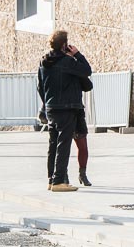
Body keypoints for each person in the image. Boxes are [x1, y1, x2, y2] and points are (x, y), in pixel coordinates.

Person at [37, 31, 92, 192]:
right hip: (67, 108)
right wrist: (78, 54)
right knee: (64, 144)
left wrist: (47, 102)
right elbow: (87, 70)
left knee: (53, 144)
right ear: (63, 45)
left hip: (51, 107)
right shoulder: (67, 61)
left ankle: (51, 179)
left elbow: (40, 86)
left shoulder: (44, 61)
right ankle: (59, 180)